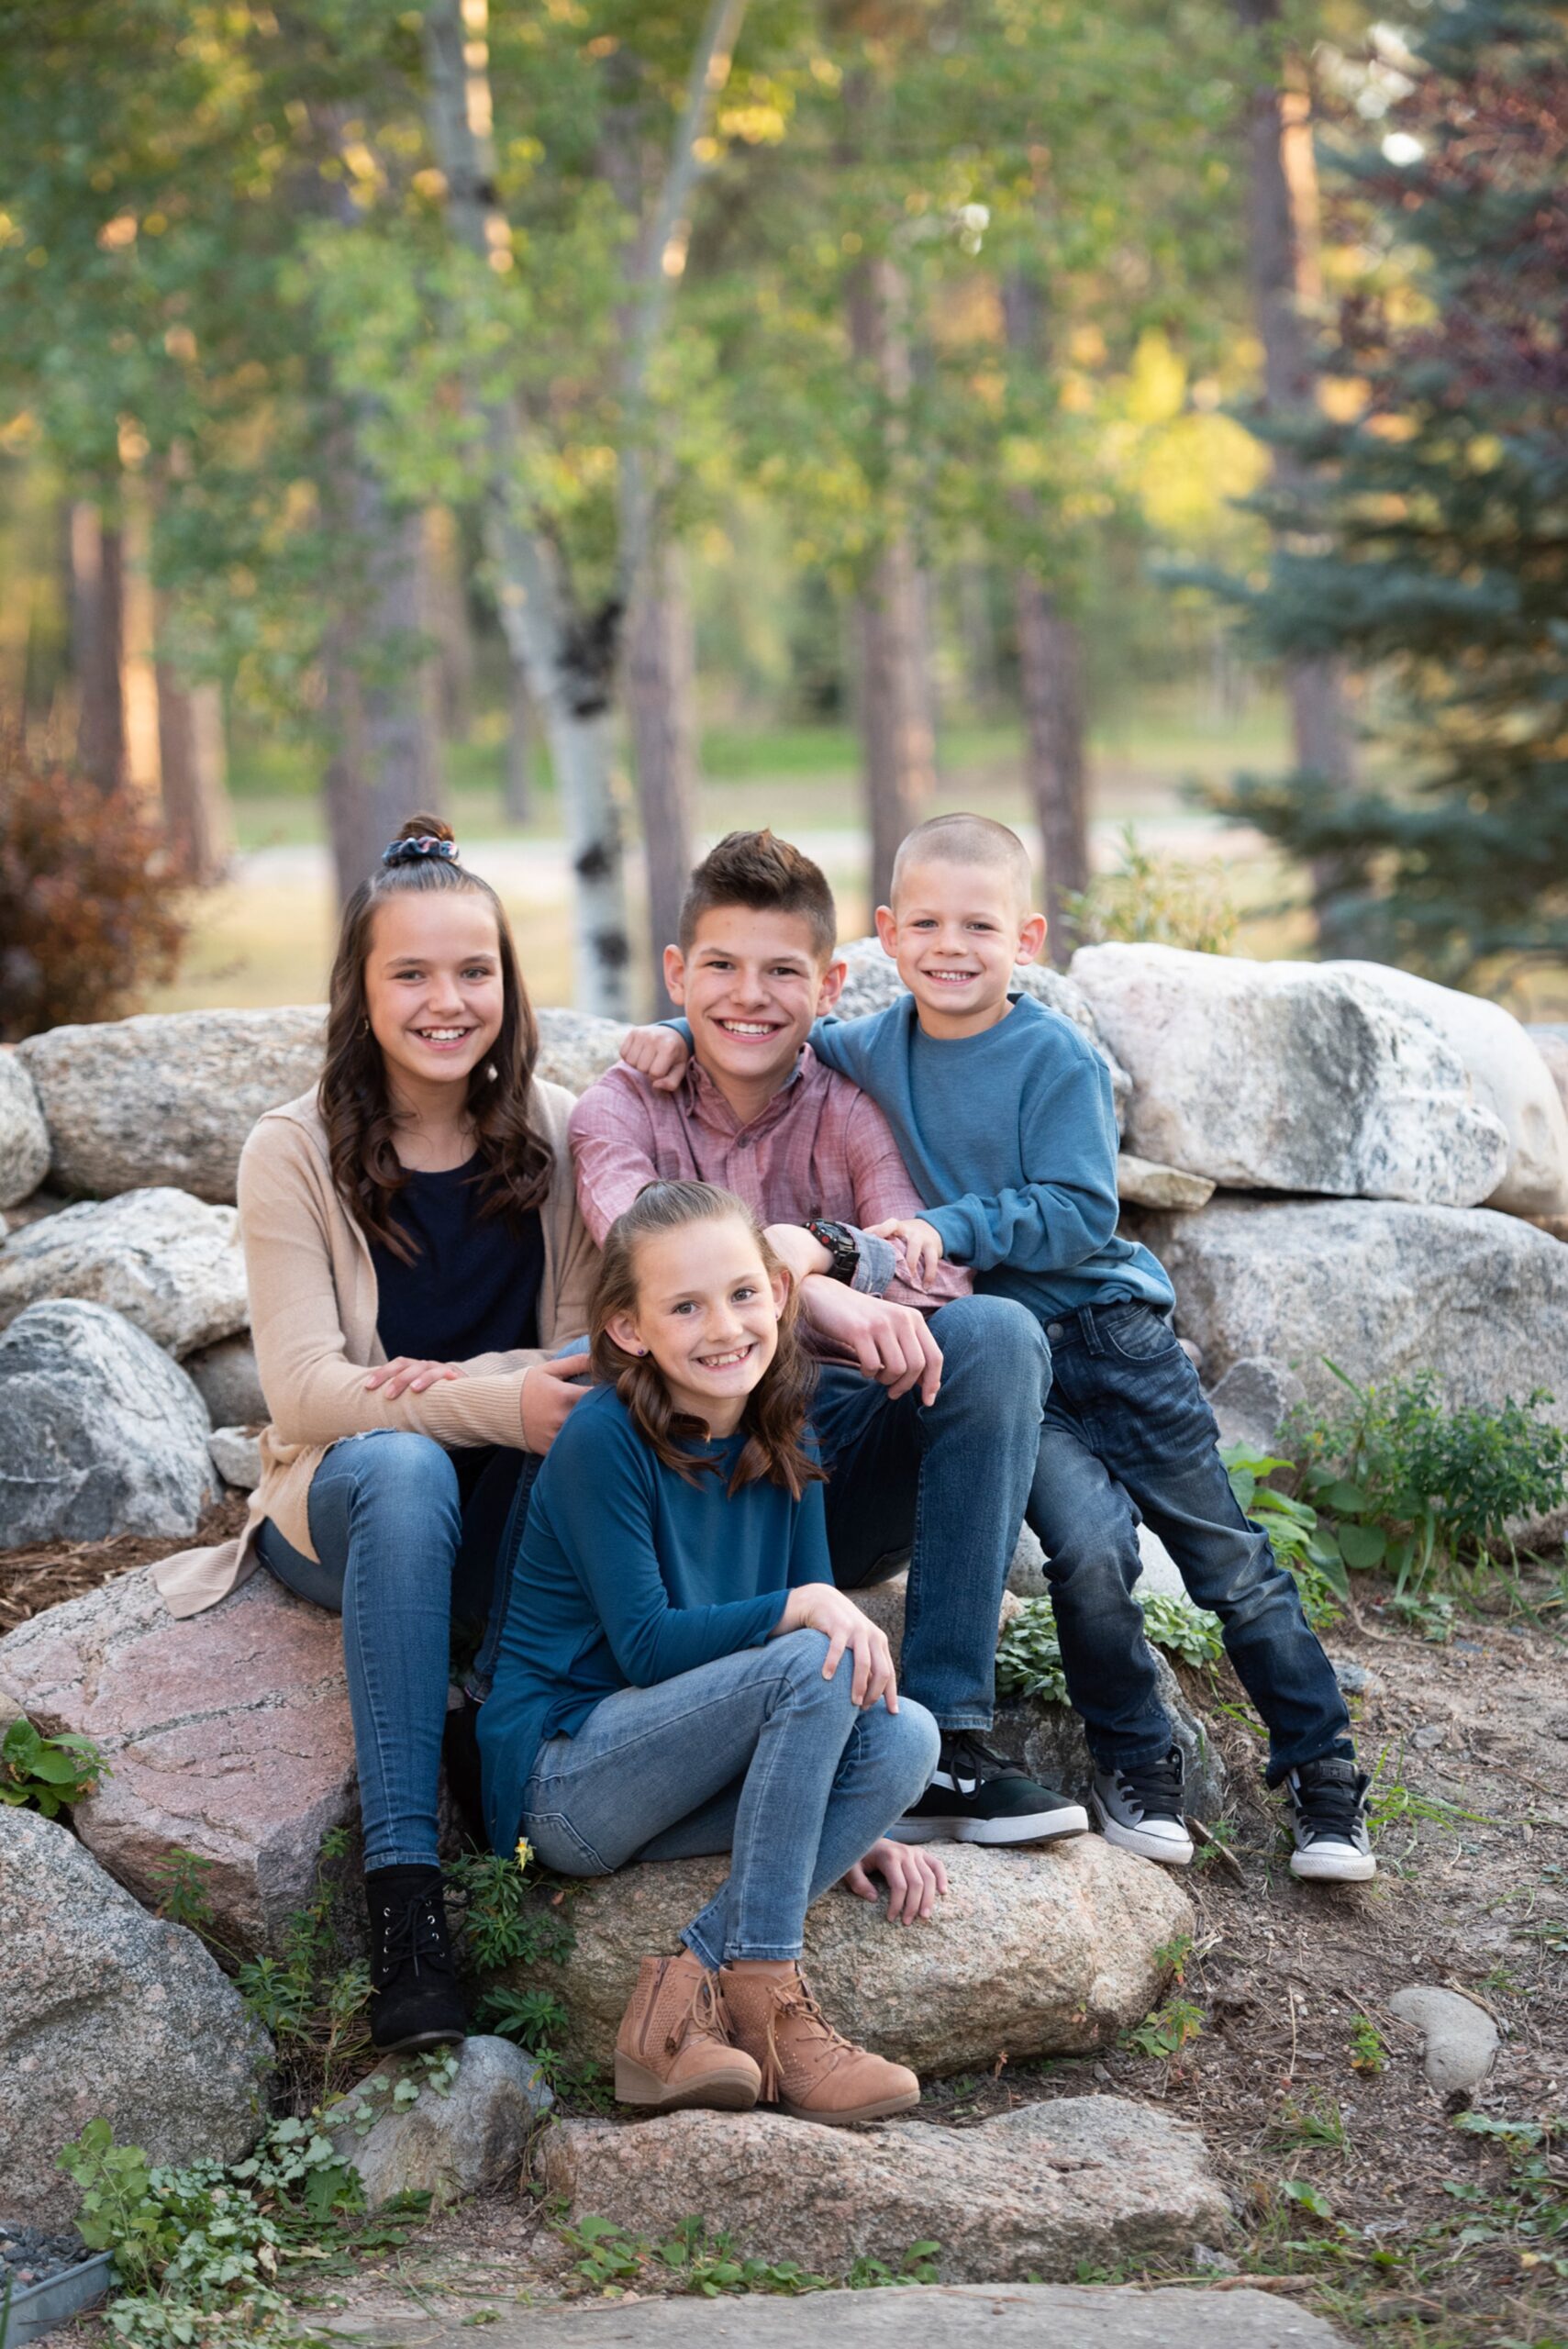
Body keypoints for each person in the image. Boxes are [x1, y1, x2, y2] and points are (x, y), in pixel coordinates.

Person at [628, 813, 1374, 1885]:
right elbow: (758, 1014)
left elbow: (1078, 1207)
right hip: (1007, 1362)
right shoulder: (863, 1043)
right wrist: (663, 1032)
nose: (949, 945)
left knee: (1225, 1559)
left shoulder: (1053, 1058)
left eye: (977, 925)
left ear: (1023, 938)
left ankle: (1323, 1773)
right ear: (885, 935)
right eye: (924, 922)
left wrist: (946, 1230)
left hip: (1108, 1339)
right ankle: (1134, 1761)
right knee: (1085, 1552)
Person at [154, 814, 599, 2051]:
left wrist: (471, 1390)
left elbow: (580, 1357)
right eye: (411, 973)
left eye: (475, 971)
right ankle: (406, 1909)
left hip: (515, 1515)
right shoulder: (291, 1151)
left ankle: (503, 1745)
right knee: (404, 1466)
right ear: (359, 989)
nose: (447, 1000)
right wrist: (492, 1400)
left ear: (508, 985)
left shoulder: (558, 1133)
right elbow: (306, 1394)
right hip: (351, 1513)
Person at [570, 829, 1087, 1848]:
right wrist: (830, 1305)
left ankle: (949, 1745)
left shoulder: (848, 1108)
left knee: (994, 1332)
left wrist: (827, 1259)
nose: (747, 997)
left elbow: (935, 1270)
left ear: (831, 981)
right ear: (676, 973)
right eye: (718, 966)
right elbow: (654, 1270)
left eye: (780, 971)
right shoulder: (618, 1109)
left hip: (836, 1471)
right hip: (692, 1490)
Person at [479, 1179, 945, 2124]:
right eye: (683, 1306)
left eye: (740, 1293)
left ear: (778, 1293)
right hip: (565, 1779)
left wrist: (850, 1811)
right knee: (812, 1650)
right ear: (628, 1329)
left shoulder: (785, 1424)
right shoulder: (601, 1439)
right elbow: (647, 1646)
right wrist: (805, 1605)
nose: (723, 1326)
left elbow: (832, 1679)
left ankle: (677, 1994)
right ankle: (773, 2010)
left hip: (685, 1762)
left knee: (905, 1739)